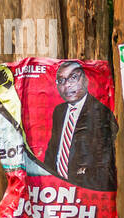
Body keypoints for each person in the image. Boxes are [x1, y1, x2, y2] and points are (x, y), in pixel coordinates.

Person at [42, 59, 118, 191]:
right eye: (61, 81)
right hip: (58, 190)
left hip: (87, 191)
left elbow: (104, 163)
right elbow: (53, 150)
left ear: (85, 80)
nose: (67, 86)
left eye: (73, 78)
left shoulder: (100, 112)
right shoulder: (59, 111)